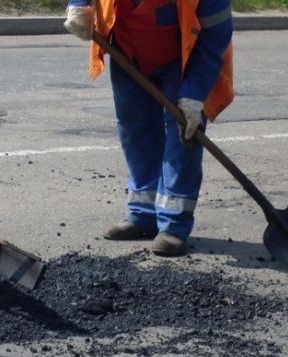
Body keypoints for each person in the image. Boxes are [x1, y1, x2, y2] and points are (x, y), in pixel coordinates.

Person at [64, 0, 234, 256]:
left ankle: (173, 226)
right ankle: (143, 214)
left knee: (183, 134)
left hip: (183, 59)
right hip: (127, 50)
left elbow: (214, 37)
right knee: (135, 130)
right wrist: (78, 5)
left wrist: (194, 96)